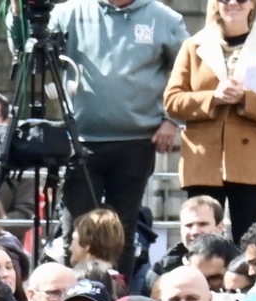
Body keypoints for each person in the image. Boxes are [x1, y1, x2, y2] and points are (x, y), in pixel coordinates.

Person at [163, 0, 256, 239]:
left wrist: (245, 99)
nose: (232, 3)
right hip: (203, 161)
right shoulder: (193, 47)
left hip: (250, 164)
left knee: (248, 242)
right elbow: (172, 100)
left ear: (253, 5)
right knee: (201, 241)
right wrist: (213, 98)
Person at [54, 0, 190, 230]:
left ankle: (121, 269)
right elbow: (26, 47)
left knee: (123, 230)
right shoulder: (68, 12)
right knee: (78, 231)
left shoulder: (165, 18)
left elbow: (190, 70)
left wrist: (172, 119)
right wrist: (16, 16)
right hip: (81, 142)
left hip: (136, 142)